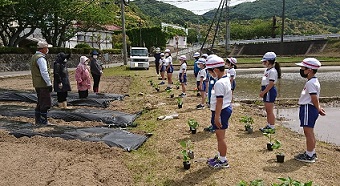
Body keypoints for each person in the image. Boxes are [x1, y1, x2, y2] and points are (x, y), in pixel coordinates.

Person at [294, 58, 325, 163]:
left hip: (308, 107)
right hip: (309, 108)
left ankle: (309, 155)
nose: (301, 70)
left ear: (310, 70)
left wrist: (318, 108)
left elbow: (314, 98)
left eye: (303, 68)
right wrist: (318, 108)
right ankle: (311, 152)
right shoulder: (312, 81)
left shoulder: (310, 83)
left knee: (308, 132)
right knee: (309, 131)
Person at [206, 55, 233, 169]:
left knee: (221, 137)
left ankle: (223, 160)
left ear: (216, 70)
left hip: (221, 111)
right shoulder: (225, 78)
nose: (210, 74)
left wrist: (217, 117)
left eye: (210, 72)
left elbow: (219, 101)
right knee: (219, 136)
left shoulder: (219, 83)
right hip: (223, 110)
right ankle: (219, 156)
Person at [30, 41, 52, 125]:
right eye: (46, 48)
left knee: (40, 102)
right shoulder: (40, 58)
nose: (47, 50)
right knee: (45, 103)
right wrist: (49, 83)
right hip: (43, 84)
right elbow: (44, 72)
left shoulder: (34, 57)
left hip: (37, 84)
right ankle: (43, 121)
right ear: (43, 49)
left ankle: (38, 120)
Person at [259, 52, 281, 132]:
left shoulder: (272, 71)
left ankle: (271, 126)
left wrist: (264, 92)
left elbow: (271, 83)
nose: (263, 63)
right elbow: (265, 82)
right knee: (267, 110)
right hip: (266, 90)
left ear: (268, 61)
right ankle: (268, 125)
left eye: (264, 61)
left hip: (269, 91)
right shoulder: (267, 70)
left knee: (269, 110)